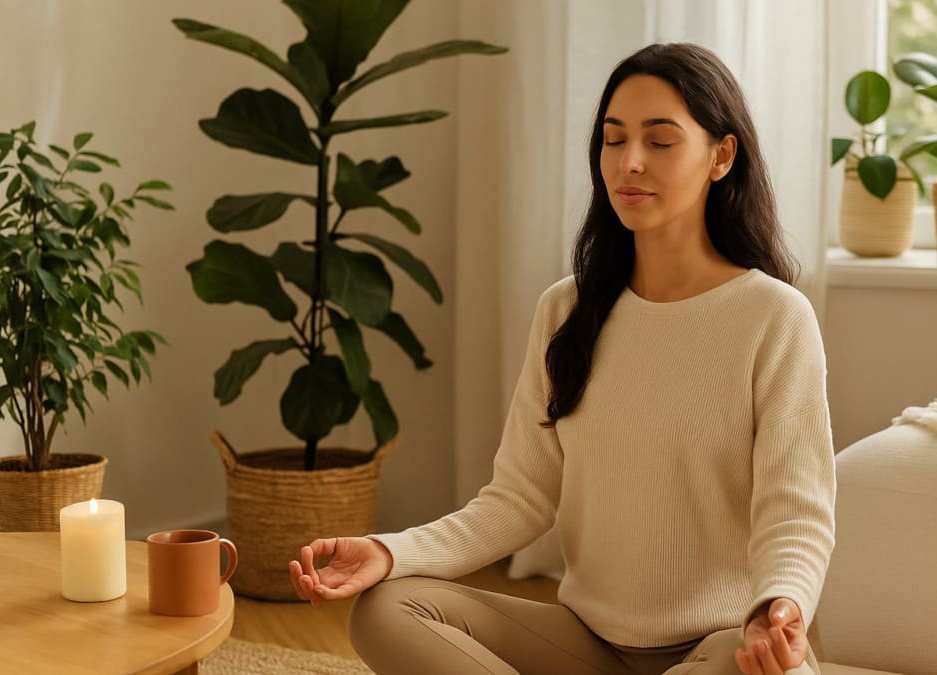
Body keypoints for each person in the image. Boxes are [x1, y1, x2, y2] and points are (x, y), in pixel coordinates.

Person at [289, 42, 835, 675]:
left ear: (721, 155)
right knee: (387, 609)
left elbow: (796, 506)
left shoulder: (774, 316)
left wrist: (779, 607)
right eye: (612, 139)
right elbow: (518, 499)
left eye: (660, 142)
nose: (628, 163)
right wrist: (391, 552)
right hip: (586, 644)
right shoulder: (566, 311)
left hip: (716, 645)